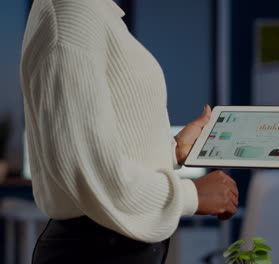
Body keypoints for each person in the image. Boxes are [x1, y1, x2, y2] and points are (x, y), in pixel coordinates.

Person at [20, 0, 239, 263]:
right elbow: (85, 165)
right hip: (98, 249)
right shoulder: (71, 14)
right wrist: (192, 195)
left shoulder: (94, 11)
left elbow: (95, 143)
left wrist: (171, 151)